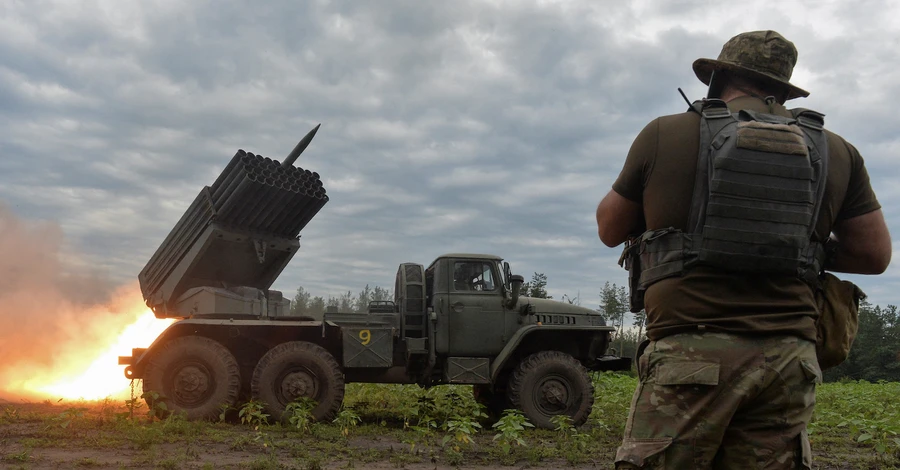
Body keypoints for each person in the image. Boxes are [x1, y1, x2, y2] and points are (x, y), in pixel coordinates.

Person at [595, 30, 891, 469]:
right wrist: (794, 242)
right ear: (784, 90)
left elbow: (609, 227)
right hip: (788, 362)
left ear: (718, 77)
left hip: (689, 358)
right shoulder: (838, 151)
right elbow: (874, 254)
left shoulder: (665, 133)